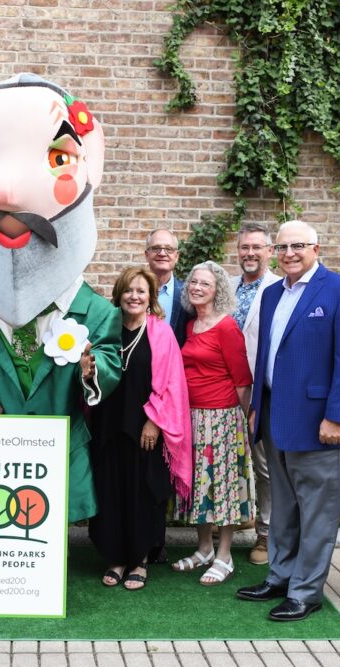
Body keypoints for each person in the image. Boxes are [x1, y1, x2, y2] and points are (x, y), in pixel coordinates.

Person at [0, 74, 122, 523]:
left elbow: (110, 363)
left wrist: (92, 370)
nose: (5, 194)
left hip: (59, 443)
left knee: (51, 523)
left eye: (57, 157)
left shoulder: (98, 312)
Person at [237, 220, 340, 622]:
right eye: (283, 247)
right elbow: (265, 354)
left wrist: (336, 416)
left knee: (316, 512)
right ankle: (280, 577)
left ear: (316, 249)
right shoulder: (272, 293)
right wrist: (257, 405)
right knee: (284, 506)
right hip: (275, 415)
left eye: (298, 246)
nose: (289, 253)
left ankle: (306, 592)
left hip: (318, 422)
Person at [89, 267, 191, 590]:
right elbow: (92, 377)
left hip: (144, 427)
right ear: (118, 295)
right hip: (107, 423)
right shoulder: (105, 329)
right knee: (110, 489)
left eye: (141, 291)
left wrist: (155, 422)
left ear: (150, 298)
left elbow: (172, 382)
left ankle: (139, 560)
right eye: (128, 290)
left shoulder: (161, 332)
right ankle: (116, 558)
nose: (134, 296)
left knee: (142, 492)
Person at [171, 261, 254, 586]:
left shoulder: (227, 327)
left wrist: (247, 422)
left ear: (217, 289)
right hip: (192, 416)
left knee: (224, 485)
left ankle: (224, 555)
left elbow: (242, 380)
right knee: (199, 484)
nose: (197, 287)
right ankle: (204, 548)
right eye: (193, 281)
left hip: (222, 418)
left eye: (205, 283)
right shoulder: (191, 325)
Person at [228, 223, 281, 566]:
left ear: (269, 251)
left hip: (260, 389)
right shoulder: (227, 285)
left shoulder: (280, 288)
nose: (250, 253)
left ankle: (266, 532)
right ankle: (240, 515)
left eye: (257, 247)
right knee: (229, 458)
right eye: (245, 247)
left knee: (264, 465)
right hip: (224, 387)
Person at [144, 228, 190, 346]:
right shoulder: (131, 293)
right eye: (156, 248)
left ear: (176, 256)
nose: (162, 253)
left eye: (168, 249)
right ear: (147, 255)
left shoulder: (188, 294)